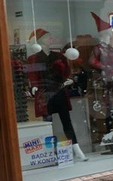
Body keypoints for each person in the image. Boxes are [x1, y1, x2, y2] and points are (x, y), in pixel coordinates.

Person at [27, 29, 88, 162]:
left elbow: (67, 71)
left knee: (66, 121)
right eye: (48, 37)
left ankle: (76, 148)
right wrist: (34, 85)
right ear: (41, 40)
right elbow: (32, 75)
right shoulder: (33, 59)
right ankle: (50, 152)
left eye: (51, 37)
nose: (51, 39)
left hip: (59, 91)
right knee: (48, 123)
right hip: (45, 94)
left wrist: (69, 79)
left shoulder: (59, 56)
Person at [89, 12, 113, 145]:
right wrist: (107, 68)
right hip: (107, 84)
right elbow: (92, 61)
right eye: (109, 34)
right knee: (109, 111)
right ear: (104, 34)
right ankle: (111, 139)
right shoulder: (98, 48)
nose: (110, 36)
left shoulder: (110, 48)